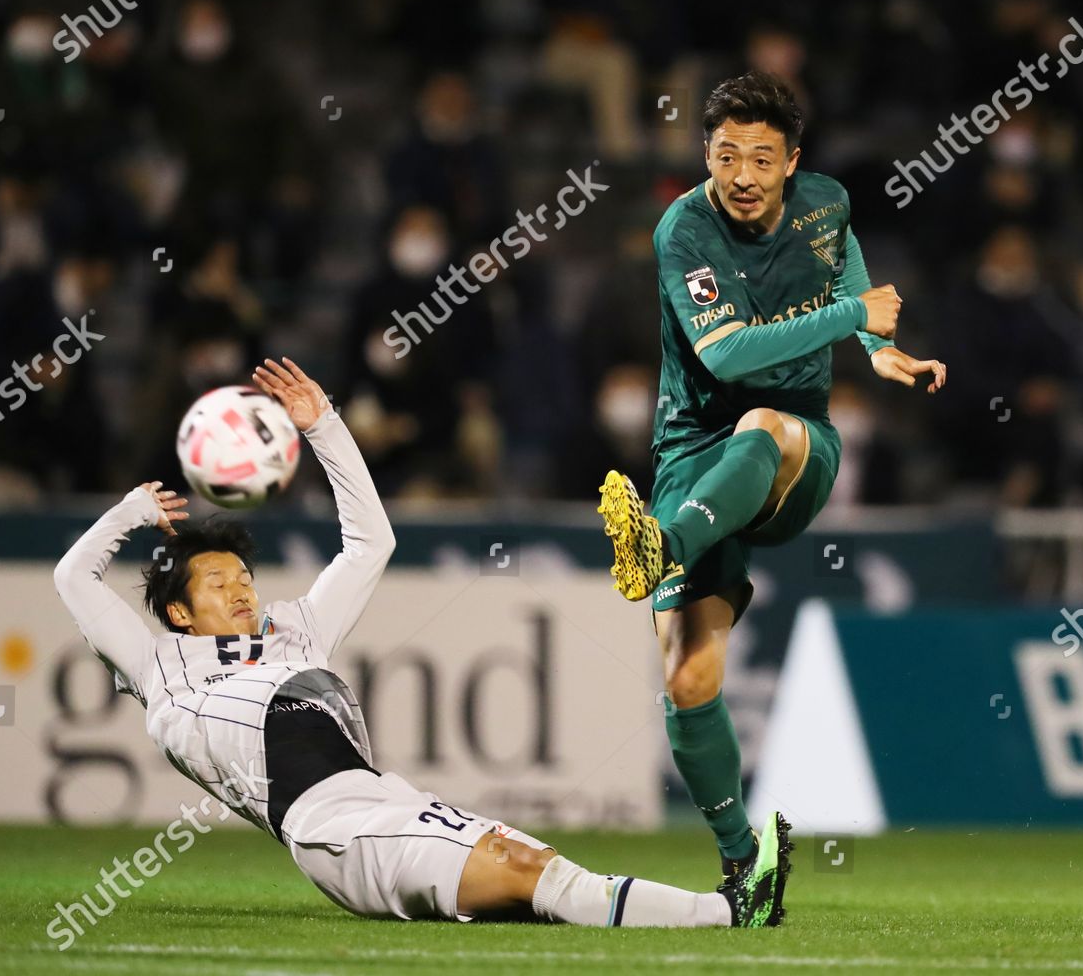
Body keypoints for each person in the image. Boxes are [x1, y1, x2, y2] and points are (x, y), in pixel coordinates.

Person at [53, 356, 792, 929]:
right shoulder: (160, 667)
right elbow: (74, 578)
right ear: (179, 615)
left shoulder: (291, 632)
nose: (241, 588)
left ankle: (732, 903)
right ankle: (734, 910)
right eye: (217, 583)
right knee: (523, 870)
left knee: (533, 868)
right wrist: (130, 511)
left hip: (387, 797)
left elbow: (371, 540)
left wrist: (324, 427)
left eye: (243, 574)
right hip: (329, 830)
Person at [596, 71, 947, 880]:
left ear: (793, 162)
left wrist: (876, 349)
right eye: (726, 156)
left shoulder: (826, 203)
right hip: (692, 451)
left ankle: (662, 546)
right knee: (689, 680)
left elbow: (841, 260)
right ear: (706, 156)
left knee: (761, 427)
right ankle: (746, 867)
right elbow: (725, 352)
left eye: (761, 158)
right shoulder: (682, 230)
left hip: (795, 450)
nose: (742, 176)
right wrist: (856, 319)